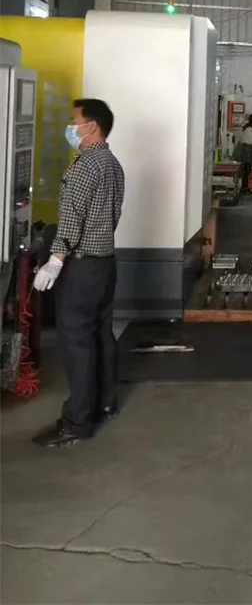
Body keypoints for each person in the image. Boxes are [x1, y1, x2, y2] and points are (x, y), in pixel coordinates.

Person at [32, 99, 125, 448]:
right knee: (100, 333)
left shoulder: (85, 165)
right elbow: (112, 215)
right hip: (105, 262)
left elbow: (72, 217)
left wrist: (55, 260)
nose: (70, 128)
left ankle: (77, 421)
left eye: (75, 122)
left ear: (92, 126)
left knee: (76, 341)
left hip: (82, 266)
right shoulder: (112, 163)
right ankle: (104, 403)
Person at [238, 114, 252, 192]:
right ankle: (246, 188)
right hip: (248, 151)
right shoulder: (251, 130)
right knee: (247, 169)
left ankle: (245, 187)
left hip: (245, 150)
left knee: (245, 169)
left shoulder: (246, 129)